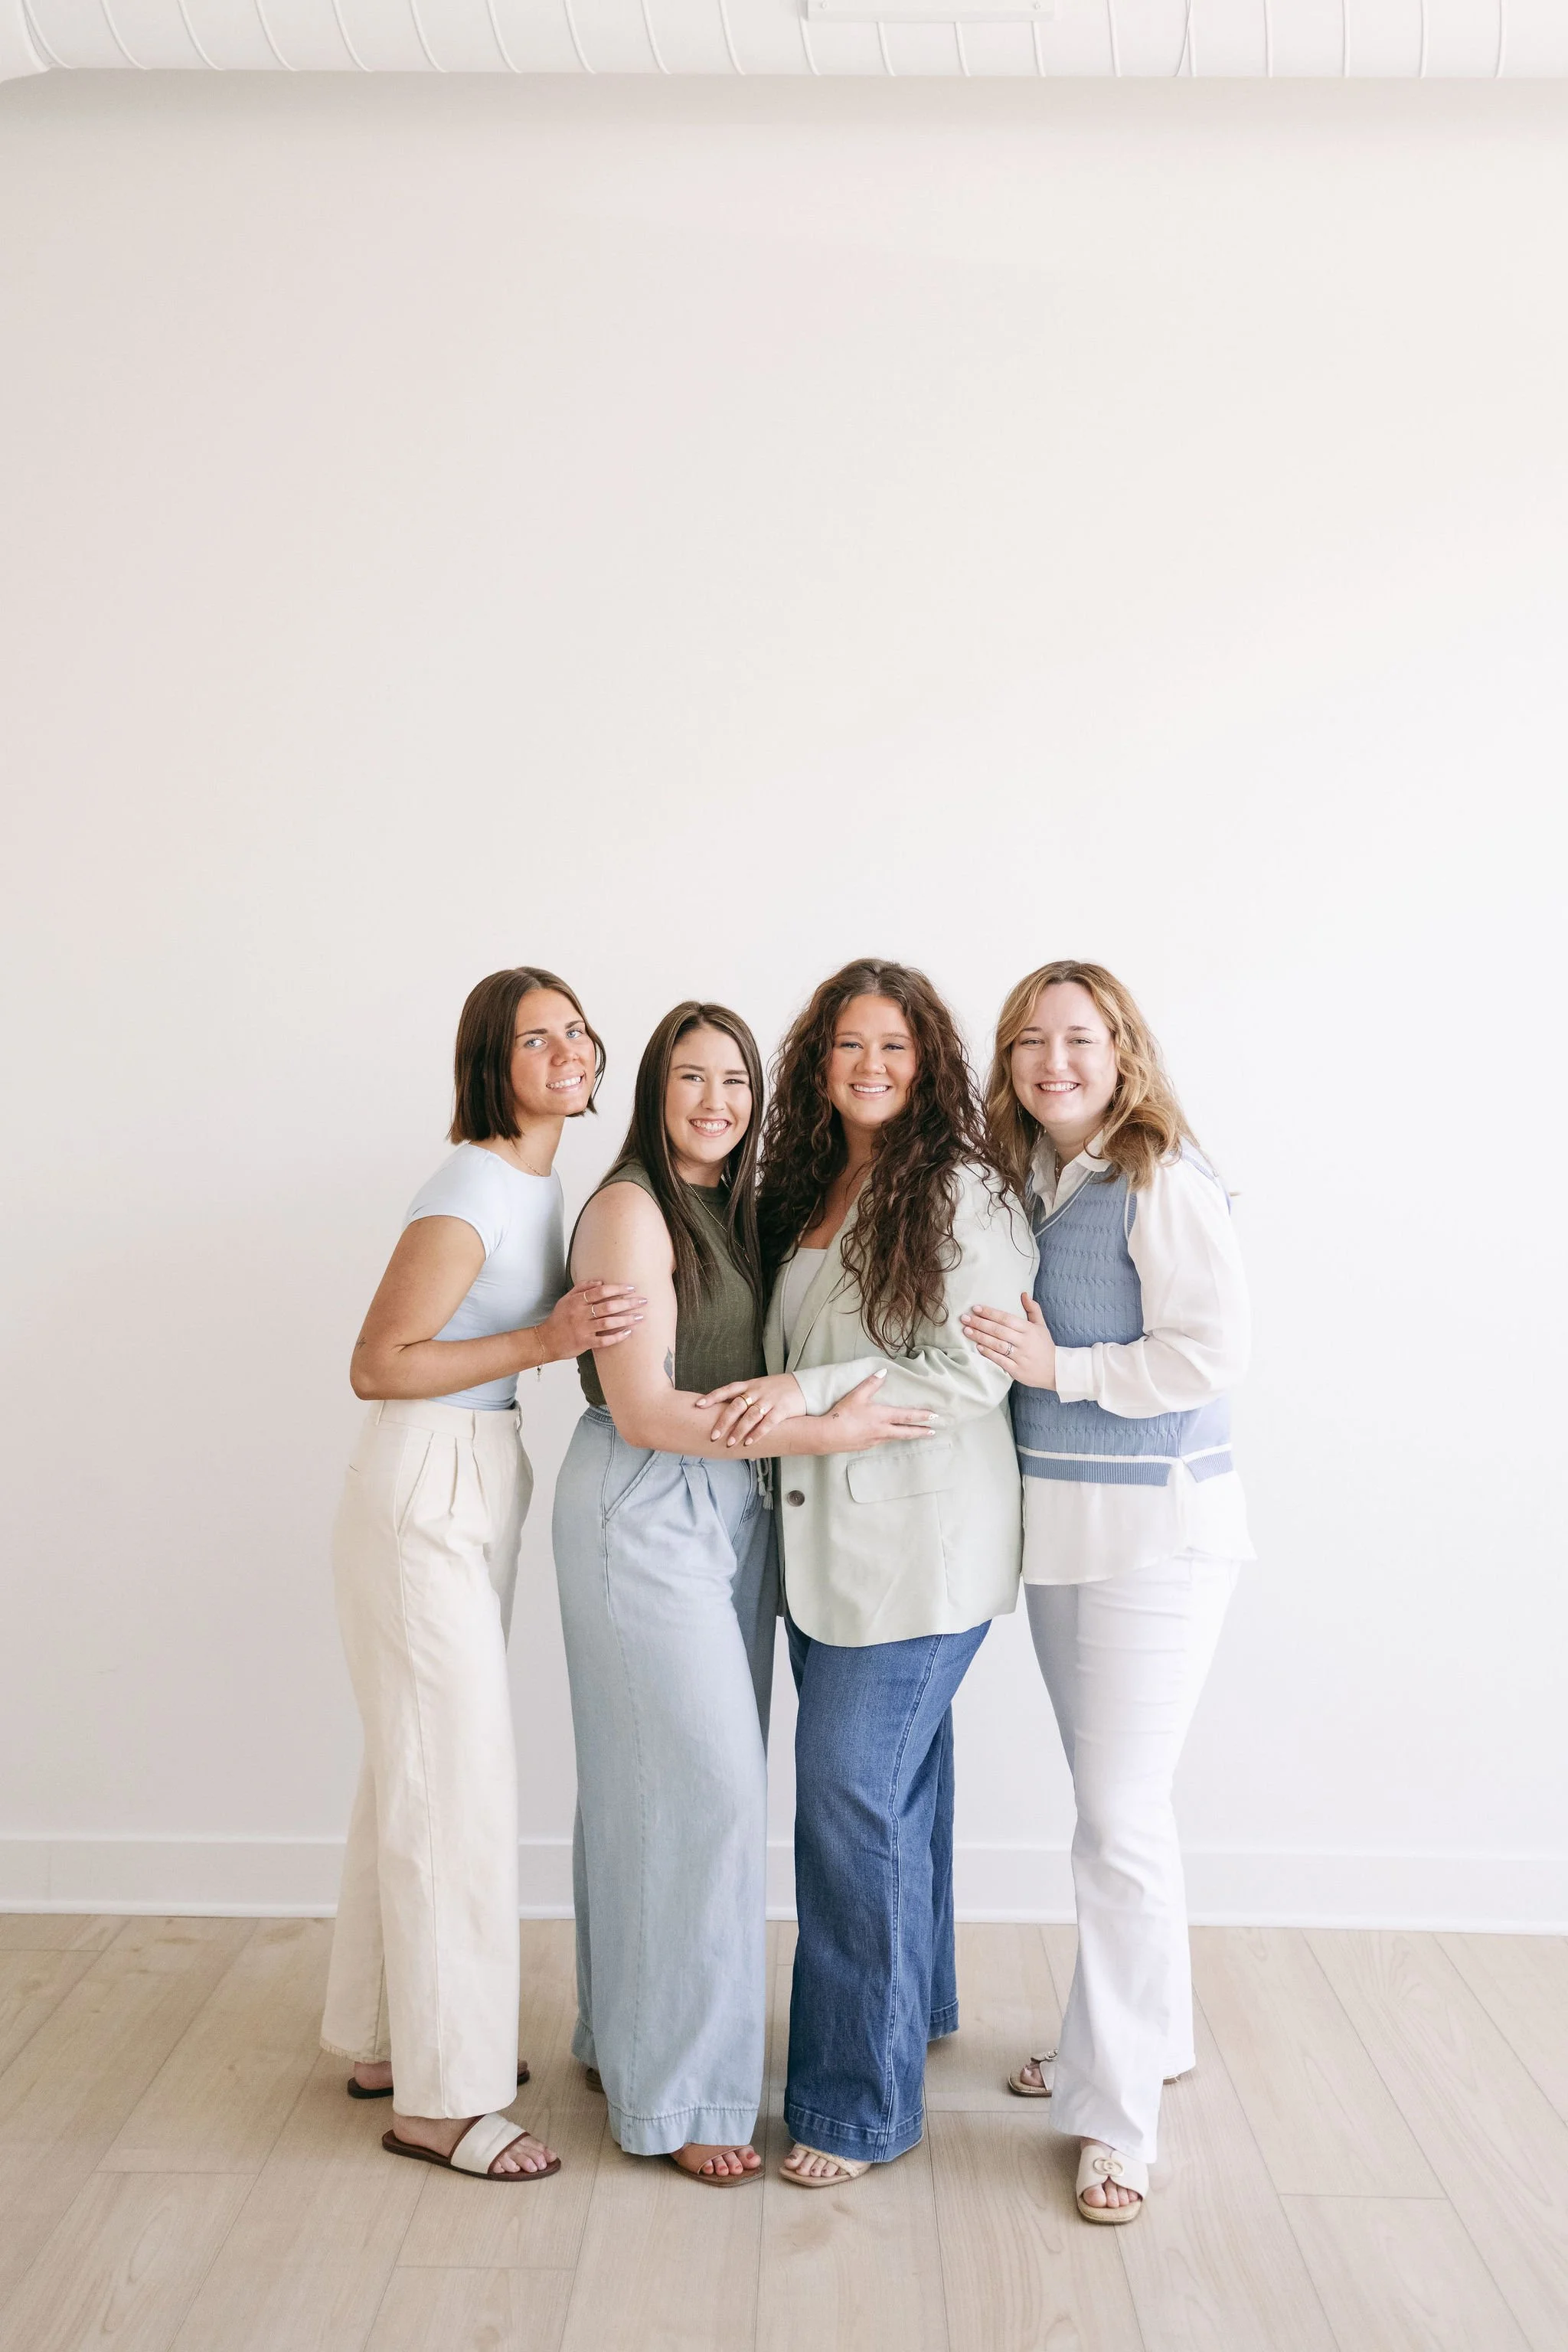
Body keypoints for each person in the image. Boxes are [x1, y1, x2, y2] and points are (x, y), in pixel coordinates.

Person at [554, 1002, 933, 2185]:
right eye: (691, 1076)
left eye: (735, 1080)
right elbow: (644, 1410)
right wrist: (834, 1430)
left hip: (734, 1509)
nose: (717, 1099)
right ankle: (687, 2097)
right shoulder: (627, 1209)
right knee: (707, 1789)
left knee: (647, 1780)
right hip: (649, 1497)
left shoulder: (737, 1207)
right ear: (654, 1090)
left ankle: (623, 2035)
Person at [702, 959, 1035, 2188]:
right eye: (849, 1046)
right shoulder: (810, 1181)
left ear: (928, 1057)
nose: (872, 1066)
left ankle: (853, 2105)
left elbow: (972, 1370)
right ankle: (919, 2010)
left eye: (894, 1046)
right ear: (818, 1060)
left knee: (846, 1800)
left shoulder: (961, 1188)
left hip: (924, 1550)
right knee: (901, 1791)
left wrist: (807, 1392)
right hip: (828, 1546)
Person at [321, 966, 645, 2185]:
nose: (566, 1050)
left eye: (574, 1029)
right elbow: (377, 1361)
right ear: (489, 1063)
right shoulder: (470, 1183)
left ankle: (379, 2040)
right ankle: (443, 2101)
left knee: (407, 1765)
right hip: (424, 1478)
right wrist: (548, 1339)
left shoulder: (535, 1177)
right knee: (451, 1782)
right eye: (534, 1038)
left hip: (474, 1469)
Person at [960, 959, 1253, 2226]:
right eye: (1030, 1041)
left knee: (1116, 1822)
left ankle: (1119, 2121)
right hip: (1068, 1537)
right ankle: (1131, 2039)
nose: (1053, 1062)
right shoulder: (1032, 1177)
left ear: (1122, 1050)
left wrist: (1061, 1368)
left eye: (1077, 1039)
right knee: (1127, 1813)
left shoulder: (1161, 1177)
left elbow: (1211, 1354)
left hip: (1156, 1540)